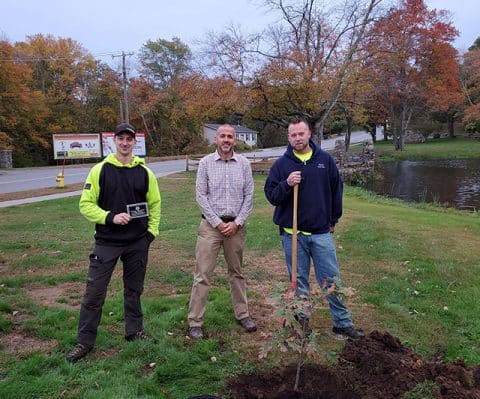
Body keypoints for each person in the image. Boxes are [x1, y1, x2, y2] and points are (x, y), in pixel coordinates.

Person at [66, 122, 161, 363]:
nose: (126, 143)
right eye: (121, 139)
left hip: (137, 243)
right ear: (114, 141)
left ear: (134, 142)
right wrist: (110, 217)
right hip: (107, 243)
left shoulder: (145, 173)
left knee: (134, 290)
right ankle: (84, 342)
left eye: (130, 139)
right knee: (94, 293)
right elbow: (85, 205)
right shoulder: (100, 170)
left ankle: (134, 331)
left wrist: (151, 234)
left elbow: (155, 204)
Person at [264, 118, 364, 340]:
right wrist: (286, 184)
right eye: (293, 135)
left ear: (309, 134)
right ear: (288, 138)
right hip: (293, 235)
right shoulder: (281, 165)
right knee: (298, 281)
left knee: (331, 279)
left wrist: (333, 220)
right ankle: (302, 325)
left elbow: (336, 191)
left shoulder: (325, 161)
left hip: (320, 233)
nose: (297, 138)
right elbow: (271, 196)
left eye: (301, 133)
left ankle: (342, 324)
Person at [187, 124, 256, 339]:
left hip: (236, 227)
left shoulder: (244, 164)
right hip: (210, 227)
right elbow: (201, 196)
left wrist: (237, 222)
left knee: (237, 273)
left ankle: (242, 314)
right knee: (203, 275)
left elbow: (249, 196)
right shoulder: (206, 164)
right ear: (216, 139)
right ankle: (195, 321)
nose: (226, 140)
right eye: (223, 136)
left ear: (234, 140)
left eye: (230, 137)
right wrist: (218, 223)